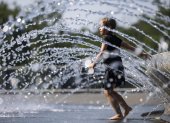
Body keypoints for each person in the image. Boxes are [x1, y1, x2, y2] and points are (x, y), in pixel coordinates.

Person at [88, 18, 148, 120]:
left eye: (101, 26)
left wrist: (93, 63)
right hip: (118, 67)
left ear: (108, 28)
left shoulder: (106, 38)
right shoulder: (116, 39)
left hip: (111, 68)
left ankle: (123, 111)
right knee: (109, 91)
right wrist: (142, 54)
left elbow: (102, 52)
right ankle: (124, 110)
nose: (99, 28)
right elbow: (130, 47)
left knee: (108, 91)